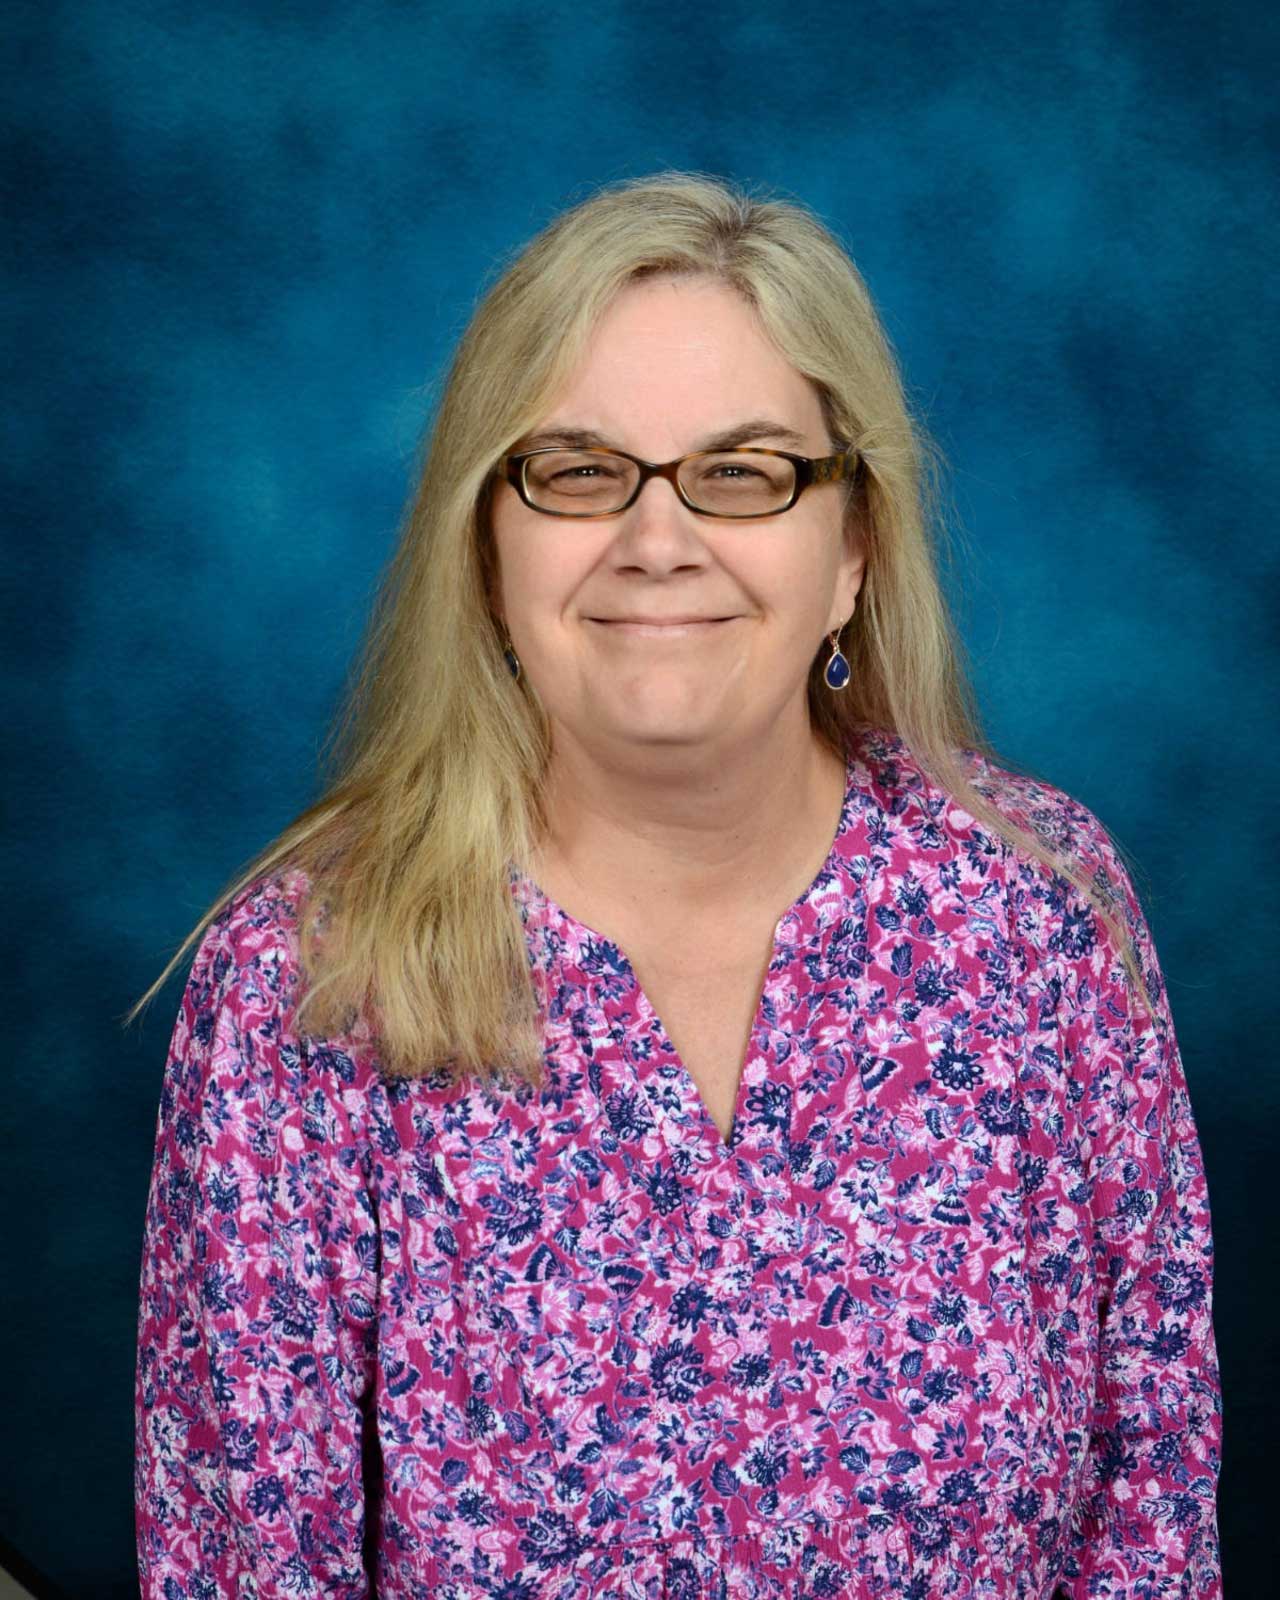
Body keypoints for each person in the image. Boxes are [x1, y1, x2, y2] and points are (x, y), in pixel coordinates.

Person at [130, 172, 1223, 1598]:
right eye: (579, 471)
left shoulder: (1039, 908)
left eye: (745, 472)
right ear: (486, 545)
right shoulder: (306, 983)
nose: (658, 541)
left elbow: (1153, 1504)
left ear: (853, 549)